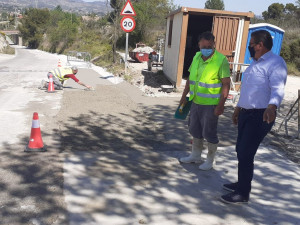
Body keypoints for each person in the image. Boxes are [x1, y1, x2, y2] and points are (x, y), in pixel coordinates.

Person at [220, 30, 287, 204]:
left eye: (251, 43)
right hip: (245, 113)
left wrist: (272, 107)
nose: (249, 46)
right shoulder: (254, 63)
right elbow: (248, 90)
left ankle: (243, 193)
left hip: (261, 115)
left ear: (259, 45)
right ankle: (241, 183)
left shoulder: (275, 63)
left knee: (246, 152)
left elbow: (278, 88)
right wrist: (237, 109)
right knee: (240, 150)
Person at [179, 31, 231, 170]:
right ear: (199, 45)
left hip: (211, 105)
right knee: (194, 129)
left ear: (214, 44)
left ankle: (210, 160)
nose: (206, 49)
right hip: (195, 102)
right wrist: (184, 96)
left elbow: (226, 83)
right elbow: (190, 79)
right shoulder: (196, 56)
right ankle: (195, 156)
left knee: (209, 132)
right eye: (203, 46)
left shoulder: (221, 60)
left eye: (209, 46)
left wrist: (221, 105)